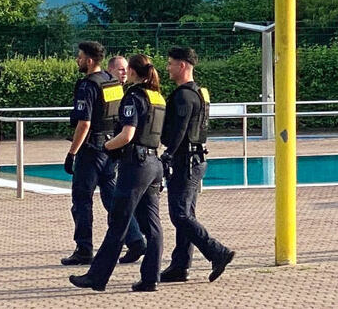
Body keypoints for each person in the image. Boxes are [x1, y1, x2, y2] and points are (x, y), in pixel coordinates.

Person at [70, 54, 166, 292]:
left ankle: (97, 277)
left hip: (136, 165)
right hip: (154, 163)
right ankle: (150, 278)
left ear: (132, 71)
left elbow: (127, 135)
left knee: (118, 222)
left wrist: (105, 147)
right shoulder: (158, 97)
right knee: (153, 226)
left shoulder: (134, 96)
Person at [62, 42, 146, 266]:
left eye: (80, 57)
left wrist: (72, 153)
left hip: (90, 152)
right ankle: (136, 239)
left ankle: (84, 249)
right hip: (109, 149)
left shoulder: (88, 86)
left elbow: (84, 123)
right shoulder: (112, 84)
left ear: (90, 61)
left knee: (82, 201)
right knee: (113, 200)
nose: (78, 60)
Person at [158, 47, 235, 283]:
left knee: (179, 214)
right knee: (186, 213)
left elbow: (179, 130)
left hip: (186, 161)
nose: (168, 67)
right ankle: (180, 265)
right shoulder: (200, 93)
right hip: (197, 159)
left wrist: (168, 154)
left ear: (182, 66)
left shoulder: (183, 95)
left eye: (171, 63)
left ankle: (216, 251)